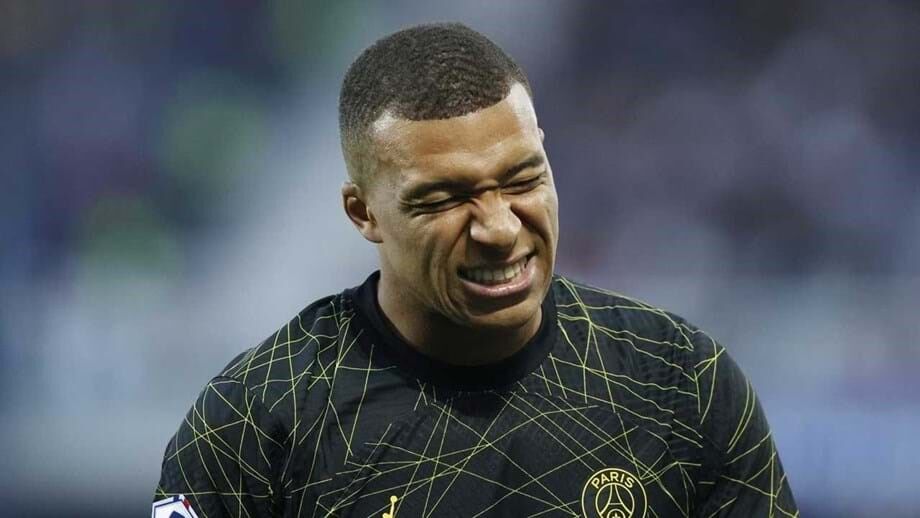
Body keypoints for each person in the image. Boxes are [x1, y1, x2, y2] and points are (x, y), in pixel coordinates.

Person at [154, 23, 798, 518]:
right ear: (363, 212)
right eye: (444, 198)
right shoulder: (253, 425)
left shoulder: (682, 382)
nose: (499, 228)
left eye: (523, 179)